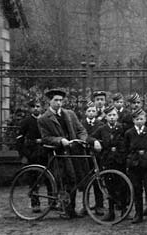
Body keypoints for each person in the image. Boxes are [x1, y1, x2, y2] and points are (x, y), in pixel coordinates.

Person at [38, 88, 96, 219]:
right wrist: (60, 140)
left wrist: (82, 140)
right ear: (49, 101)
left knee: (76, 179)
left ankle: (72, 209)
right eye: (56, 100)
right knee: (65, 180)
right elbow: (45, 138)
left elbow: (81, 130)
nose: (59, 103)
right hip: (59, 154)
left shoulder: (70, 114)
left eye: (61, 100)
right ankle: (67, 210)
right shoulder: (43, 119)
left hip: (74, 152)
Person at [125, 108, 147, 223]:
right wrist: (129, 161)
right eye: (137, 119)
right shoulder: (129, 133)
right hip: (134, 165)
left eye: (141, 119)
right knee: (136, 189)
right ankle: (138, 214)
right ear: (133, 120)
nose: (139, 121)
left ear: (145, 120)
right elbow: (126, 149)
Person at [16, 99, 47, 214]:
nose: (36, 108)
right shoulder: (26, 121)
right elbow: (19, 140)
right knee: (33, 179)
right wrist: (23, 155)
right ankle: (35, 203)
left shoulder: (45, 120)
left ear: (42, 108)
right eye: (33, 107)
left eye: (38, 106)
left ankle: (52, 202)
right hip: (32, 153)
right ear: (30, 109)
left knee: (49, 177)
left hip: (45, 152)